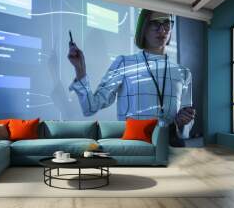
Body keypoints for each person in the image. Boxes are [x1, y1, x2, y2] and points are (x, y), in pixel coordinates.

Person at [67, 9, 195, 147]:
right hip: (135, 145)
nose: (162, 30)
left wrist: (183, 121)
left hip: (170, 147)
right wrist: (80, 69)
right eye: (155, 24)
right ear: (144, 28)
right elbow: (90, 107)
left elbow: (187, 125)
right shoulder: (124, 63)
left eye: (166, 24)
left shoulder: (183, 73)